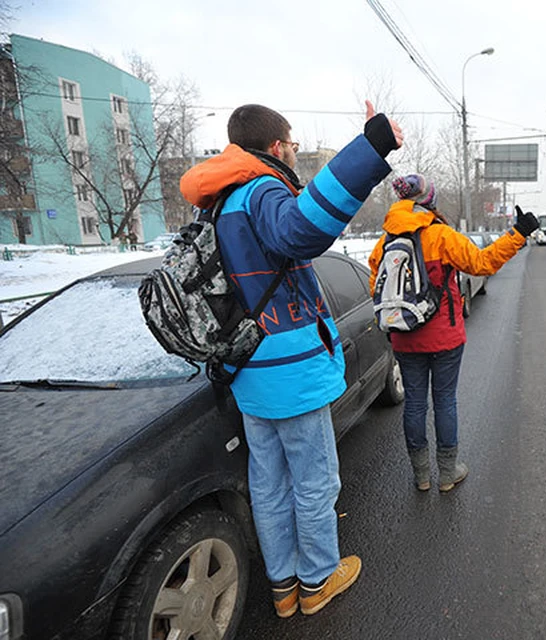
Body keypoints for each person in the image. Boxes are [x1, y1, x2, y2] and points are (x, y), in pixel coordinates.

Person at [179, 101, 403, 618]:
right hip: (290, 369)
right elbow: (302, 230)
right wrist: (370, 148)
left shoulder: (217, 203)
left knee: (270, 482)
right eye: (294, 144)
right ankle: (319, 578)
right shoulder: (262, 190)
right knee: (315, 479)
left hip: (249, 367)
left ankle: (283, 587)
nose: (296, 152)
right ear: (277, 147)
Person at [368, 175, 539, 492]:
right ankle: (447, 473)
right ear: (429, 201)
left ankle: (420, 475)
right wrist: (518, 234)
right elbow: (483, 263)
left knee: (415, 405)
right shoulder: (441, 236)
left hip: (404, 337)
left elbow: (376, 290)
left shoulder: (383, 244)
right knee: (445, 401)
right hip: (445, 336)